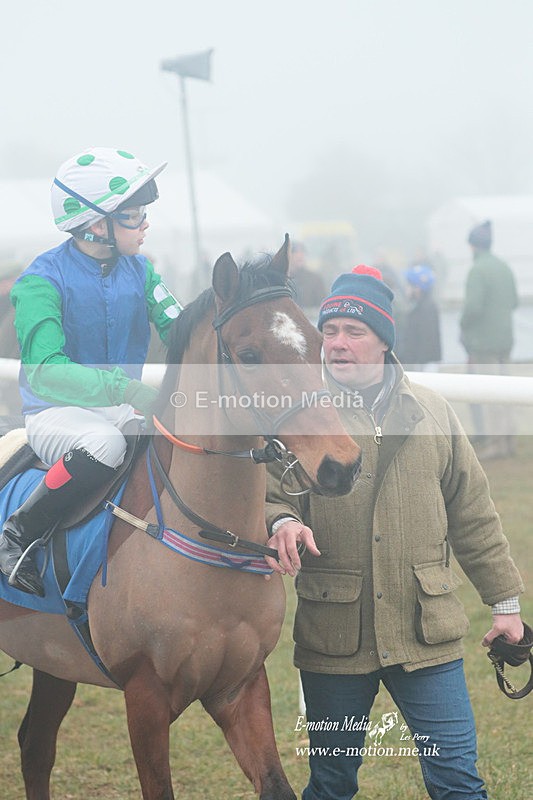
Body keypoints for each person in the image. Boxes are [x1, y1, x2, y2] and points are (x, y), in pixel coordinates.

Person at [265, 264, 524, 800]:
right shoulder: (299, 418)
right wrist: (282, 520)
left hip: (426, 634)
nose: (337, 343)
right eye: (330, 331)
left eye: (353, 332)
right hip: (334, 637)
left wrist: (505, 605)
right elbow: (268, 497)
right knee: (331, 784)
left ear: (384, 341)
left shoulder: (434, 412)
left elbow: (474, 514)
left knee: (458, 780)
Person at [0, 147, 183, 597]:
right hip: (57, 415)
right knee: (105, 443)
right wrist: (124, 388)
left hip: (120, 409)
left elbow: (182, 328)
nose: (145, 225)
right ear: (97, 225)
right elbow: (44, 371)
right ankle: (18, 532)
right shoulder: (39, 282)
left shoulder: (142, 272)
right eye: (133, 215)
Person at [460, 220, 518, 459]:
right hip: (505, 339)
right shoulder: (504, 267)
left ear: (473, 246)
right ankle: (509, 441)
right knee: (507, 391)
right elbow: (514, 302)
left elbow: (472, 307)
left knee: (490, 393)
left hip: (484, 342)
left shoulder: (477, 270)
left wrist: (462, 325)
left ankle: (495, 443)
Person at [396, 263, 441, 370]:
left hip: (423, 365)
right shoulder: (417, 305)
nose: (405, 288)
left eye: (408, 285)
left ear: (417, 288)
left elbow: (425, 342)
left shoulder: (425, 309)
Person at [289, 241, 327, 309]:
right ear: (288, 255)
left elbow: (322, 305)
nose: (300, 255)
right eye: (295, 252)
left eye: (302, 252)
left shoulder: (315, 279)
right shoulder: (282, 280)